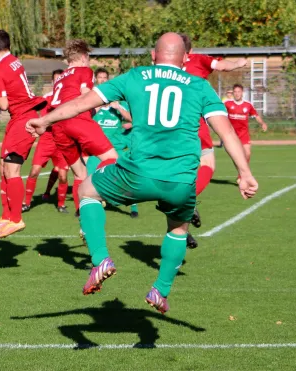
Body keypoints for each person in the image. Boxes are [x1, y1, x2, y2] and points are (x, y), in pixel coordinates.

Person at [27, 32, 258, 314]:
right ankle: (160, 290)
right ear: (186, 58)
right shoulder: (199, 86)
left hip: (136, 174)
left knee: (87, 189)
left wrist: (45, 119)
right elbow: (227, 132)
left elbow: (80, 104)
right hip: (181, 180)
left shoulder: (135, 76)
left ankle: (101, 259)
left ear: (153, 56)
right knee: (178, 228)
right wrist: (244, 172)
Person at [0, 29, 46, 239]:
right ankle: (6, 216)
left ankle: (16, 219)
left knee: (12, 170)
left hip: (22, 118)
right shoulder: (15, 61)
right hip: (22, 116)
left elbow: (3, 104)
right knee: (3, 167)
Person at [181, 34, 248, 248]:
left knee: (178, 178)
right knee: (206, 164)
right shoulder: (197, 59)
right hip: (192, 123)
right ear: (189, 51)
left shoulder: (159, 67)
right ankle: (187, 206)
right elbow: (221, 65)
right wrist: (239, 62)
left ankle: (182, 230)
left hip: (162, 129)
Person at [44, 39, 118, 216]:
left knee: (79, 174)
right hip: (77, 120)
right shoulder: (85, 70)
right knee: (113, 159)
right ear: (84, 57)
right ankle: (101, 192)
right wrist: (101, 103)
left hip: (58, 127)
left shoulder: (60, 77)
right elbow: (86, 96)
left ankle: (82, 218)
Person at [87, 68, 139, 218]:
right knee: (89, 177)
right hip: (97, 149)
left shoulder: (118, 103)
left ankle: (133, 207)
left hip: (116, 149)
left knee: (125, 178)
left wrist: (118, 108)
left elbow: (132, 119)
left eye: (105, 78)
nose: (102, 80)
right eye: (100, 78)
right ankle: (86, 207)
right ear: (96, 80)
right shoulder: (92, 104)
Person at [22, 69, 70, 213]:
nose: (57, 82)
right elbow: (39, 116)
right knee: (34, 171)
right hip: (47, 139)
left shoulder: (70, 99)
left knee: (62, 175)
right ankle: (27, 202)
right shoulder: (46, 98)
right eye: (55, 79)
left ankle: (61, 204)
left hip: (62, 141)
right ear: (52, 82)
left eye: (60, 79)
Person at [225, 83, 268, 182]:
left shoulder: (248, 105)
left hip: (244, 134)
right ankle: (241, 174)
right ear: (233, 93)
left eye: (239, 92)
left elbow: (256, 115)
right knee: (236, 156)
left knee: (247, 154)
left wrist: (262, 123)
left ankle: (242, 174)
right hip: (232, 135)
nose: (237, 94)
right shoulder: (227, 104)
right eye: (235, 92)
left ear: (242, 93)